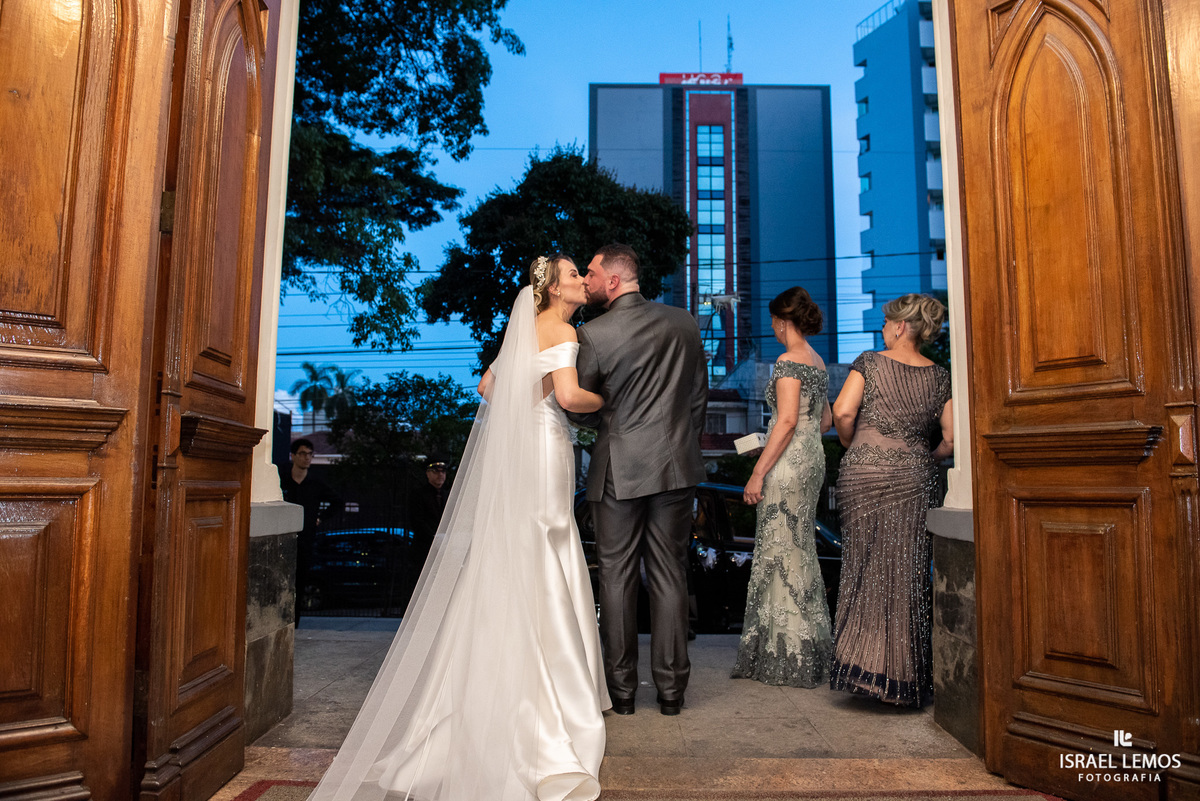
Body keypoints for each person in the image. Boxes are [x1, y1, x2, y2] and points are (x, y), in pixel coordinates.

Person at [307, 255, 609, 801]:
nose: (582, 282)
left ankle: (494, 679)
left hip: (522, 448)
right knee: (548, 545)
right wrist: (604, 401)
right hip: (545, 447)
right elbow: (568, 396)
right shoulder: (562, 327)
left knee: (518, 549)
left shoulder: (522, 331)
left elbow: (487, 388)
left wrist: (527, 400)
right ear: (555, 290)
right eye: (573, 276)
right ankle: (550, 694)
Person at [570, 243, 708, 716]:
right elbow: (696, 400)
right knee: (671, 575)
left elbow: (580, 403)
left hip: (618, 471)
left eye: (589, 272)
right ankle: (672, 692)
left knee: (617, 577)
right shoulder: (685, 323)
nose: (585, 280)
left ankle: (622, 692)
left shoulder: (593, 334)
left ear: (613, 280)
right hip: (676, 466)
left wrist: (610, 425)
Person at [828, 293, 953, 707]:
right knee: (907, 574)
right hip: (916, 477)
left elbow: (843, 413)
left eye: (886, 323)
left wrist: (854, 446)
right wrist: (925, 458)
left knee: (863, 568)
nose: (882, 330)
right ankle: (901, 679)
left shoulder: (870, 361)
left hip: (864, 474)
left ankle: (863, 669)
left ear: (900, 327)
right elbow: (950, 439)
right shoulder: (941, 376)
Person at [731, 287, 834, 688]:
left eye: (774, 321)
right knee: (800, 548)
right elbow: (822, 422)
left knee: (778, 549)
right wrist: (778, 429)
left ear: (782, 320)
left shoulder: (788, 361)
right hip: (812, 461)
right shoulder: (818, 361)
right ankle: (811, 649)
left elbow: (788, 420)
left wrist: (757, 472)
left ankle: (786, 654)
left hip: (788, 463)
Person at [278, 438, 343, 621]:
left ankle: (294, 623)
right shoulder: (283, 480)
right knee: (281, 582)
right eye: (302, 454)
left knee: (299, 582)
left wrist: (320, 518)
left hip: (305, 540)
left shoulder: (315, 483)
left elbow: (337, 502)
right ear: (293, 456)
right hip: (283, 538)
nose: (307, 458)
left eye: (310, 454)